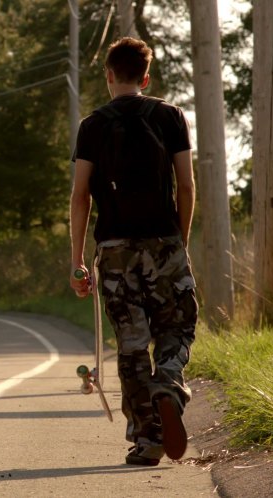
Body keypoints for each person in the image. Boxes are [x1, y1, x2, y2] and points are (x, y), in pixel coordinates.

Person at [69, 37, 198, 466]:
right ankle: (170, 383)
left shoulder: (92, 126)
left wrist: (77, 261)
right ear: (146, 77)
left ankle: (146, 440)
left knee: (131, 344)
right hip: (164, 241)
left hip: (115, 249)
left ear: (108, 75)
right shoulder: (171, 117)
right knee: (177, 327)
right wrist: (179, 242)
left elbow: (80, 195)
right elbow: (186, 186)